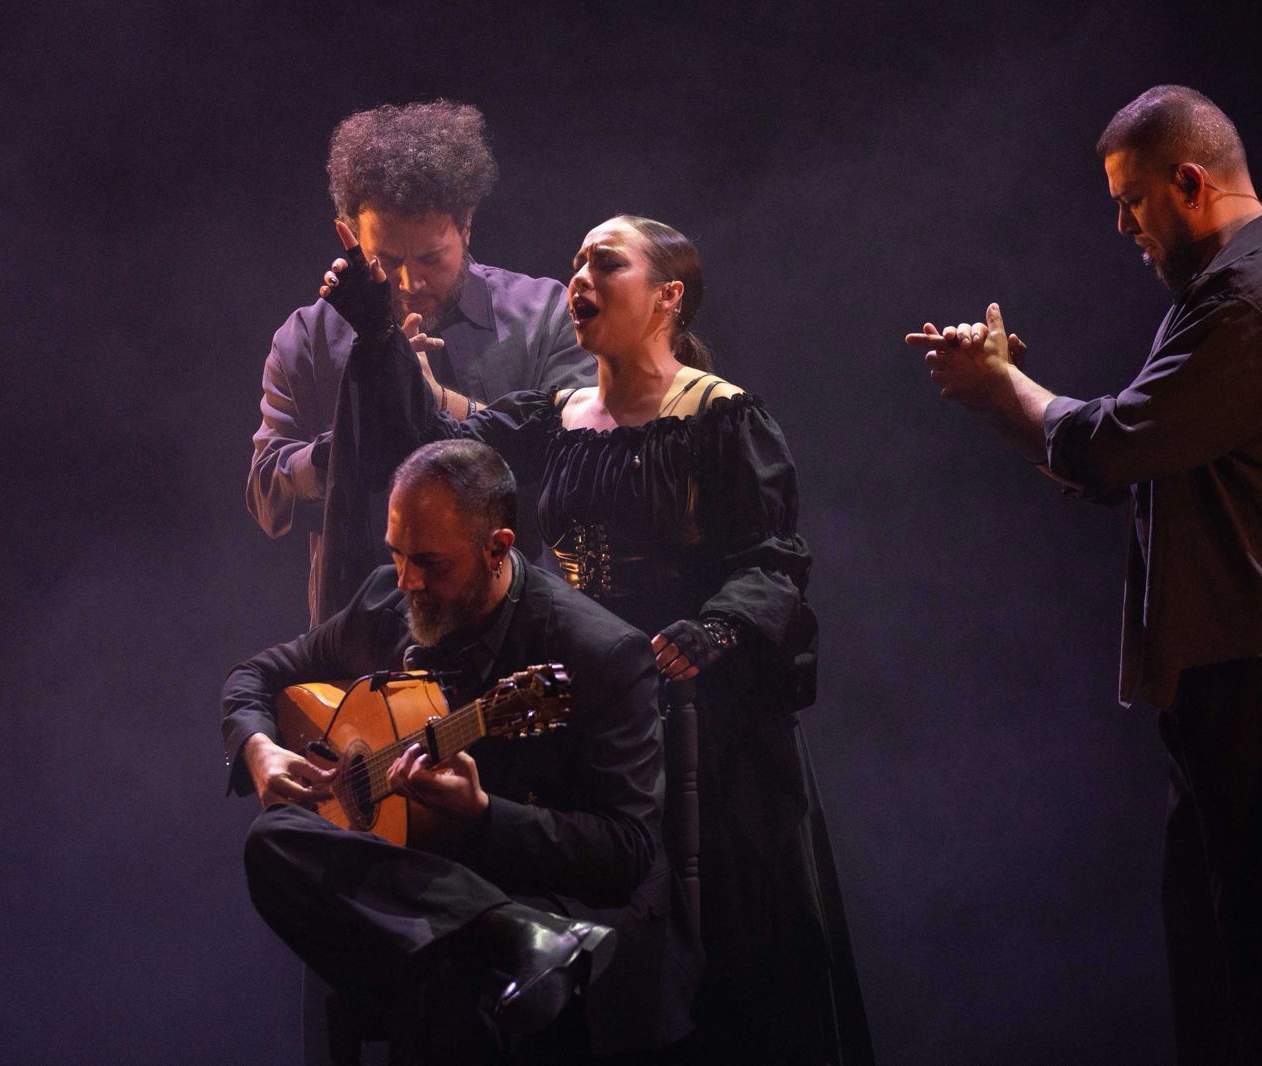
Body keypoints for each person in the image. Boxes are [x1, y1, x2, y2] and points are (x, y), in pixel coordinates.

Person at [315, 215, 873, 1064]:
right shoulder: (550, 421)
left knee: (723, 973)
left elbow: (773, 561)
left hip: (701, 729)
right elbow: (435, 463)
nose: (579, 276)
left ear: (666, 297)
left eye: (604, 263)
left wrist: (714, 629)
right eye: (574, 262)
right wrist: (383, 337)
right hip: (573, 714)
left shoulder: (722, 418)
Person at [906, 85, 1262, 1064]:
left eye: (1130, 200)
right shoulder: (1234, 292)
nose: (1121, 225)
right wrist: (1011, 400)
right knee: (1229, 971)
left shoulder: (1254, 297)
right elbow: (1133, 460)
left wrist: (1004, 389)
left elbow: (1114, 443)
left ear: (1189, 182)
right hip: (1241, 668)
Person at [222, 438, 696, 1062]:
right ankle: (501, 933)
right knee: (272, 840)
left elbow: (627, 854)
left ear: (497, 549)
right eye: (397, 555)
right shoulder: (386, 601)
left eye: (430, 563)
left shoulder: (600, 653)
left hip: (558, 900)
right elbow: (253, 676)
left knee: (444, 984)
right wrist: (259, 748)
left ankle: (512, 932)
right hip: (428, 887)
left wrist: (483, 816)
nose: (406, 581)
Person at [245, 100, 594, 623]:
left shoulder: (543, 313)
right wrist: (364, 428)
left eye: (431, 257)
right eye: (386, 261)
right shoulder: (305, 338)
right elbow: (267, 493)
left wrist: (438, 405)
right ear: (349, 235)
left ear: (467, 226)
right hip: (365, 635)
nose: (410, 284)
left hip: (518, 630)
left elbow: (580, 464)